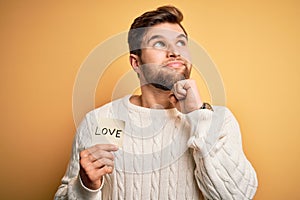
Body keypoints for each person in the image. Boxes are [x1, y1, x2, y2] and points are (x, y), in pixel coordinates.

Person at [55, 5, 258, 200]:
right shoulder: (102, 120)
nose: (175, 52)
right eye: (159, 43)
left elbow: (237, 196)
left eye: (181, 43)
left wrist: (198, 115)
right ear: (136, 63)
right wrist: (86, 187)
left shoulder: (217, 120)